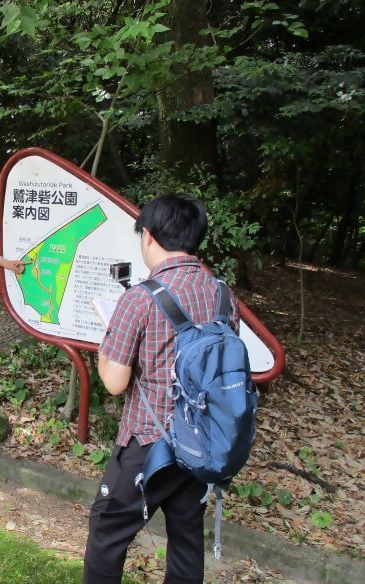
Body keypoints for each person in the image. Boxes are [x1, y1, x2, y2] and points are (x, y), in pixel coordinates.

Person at [83, 193, 240, 583]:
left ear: (149, 236)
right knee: (186, 534)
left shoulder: (139, 299)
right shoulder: (223, 295)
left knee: (107, 529)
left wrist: (108, 342)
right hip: (203, 439)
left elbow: (114, 382)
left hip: (150, 441)